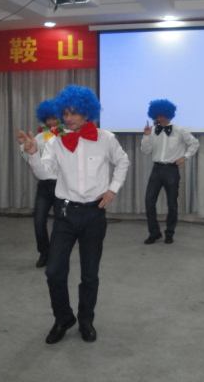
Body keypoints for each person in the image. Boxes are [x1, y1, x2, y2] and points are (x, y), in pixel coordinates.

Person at [20, 85, 129, 344]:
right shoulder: (56, 141)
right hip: (65, 214)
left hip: (94, 215)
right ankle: (63, 318)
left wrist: (112, 189)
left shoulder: (105, 138)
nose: (68, 118)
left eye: (74, 113)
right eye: (65, 113)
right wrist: (33, 154)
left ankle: (86, 319)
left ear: (87, 112)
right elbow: (45, 173)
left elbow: (122, 162)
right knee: (54, 272)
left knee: (89, 274)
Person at [141, 99, 199, 245]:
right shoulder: (153, 132)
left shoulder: (179, 130)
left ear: (169, 114)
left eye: (162, 116)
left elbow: (194, 143)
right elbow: (145, 150)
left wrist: (185, 157)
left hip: (171, 170)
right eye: (157, 116)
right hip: (156, 170)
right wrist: (146, 135)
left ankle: (169, 232)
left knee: (172, 204)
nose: (159, 119)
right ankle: (154, 233)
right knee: (149, 201)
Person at [18, 99, 62, 268]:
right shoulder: (38, 137)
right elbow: (30, 159)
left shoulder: (67, 134)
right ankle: (44, 253)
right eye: (48, 118)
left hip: (62, 185)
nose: (51, 121)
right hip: (44, 185)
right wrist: (23, 145)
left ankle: (57, 254)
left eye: (54, 118)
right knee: (38, 221)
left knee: (60, 223)